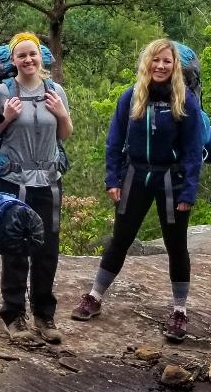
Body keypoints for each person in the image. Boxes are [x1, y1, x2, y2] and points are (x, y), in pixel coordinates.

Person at [71, 38, 203, 343]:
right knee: (121, 239)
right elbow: (114, 141)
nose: (160, 66)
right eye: (155, 60)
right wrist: (112, 179)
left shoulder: (185, 101)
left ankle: (180, 311)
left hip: (171, 180)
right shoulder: (131, 97)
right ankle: (94, 296)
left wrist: (188, 192)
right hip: (135, 175)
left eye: (167, 61)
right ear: (147, 63)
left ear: (175, 67)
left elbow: (193, 150)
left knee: (176, 245)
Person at [0, 32, 72, 346]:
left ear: (41, 58)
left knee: (47, 249)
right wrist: (6, 118)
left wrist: (62, 114)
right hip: (14, 182)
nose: (28, 60)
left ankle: (44, 314)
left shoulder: (55, 90)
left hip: (48, 182)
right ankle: (13, 315)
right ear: (13, 61)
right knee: (14, 249)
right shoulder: (2, 92)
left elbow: (65, 133)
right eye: (21, 55)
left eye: (32, 54)